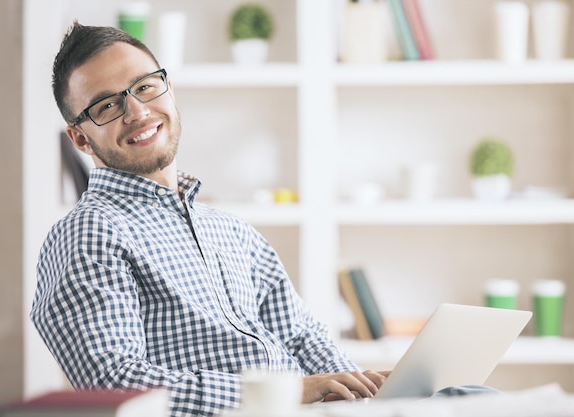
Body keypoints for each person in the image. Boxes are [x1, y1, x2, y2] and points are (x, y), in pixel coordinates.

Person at [31, 21, 388, 417]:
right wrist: (285, 392)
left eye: (145, 86)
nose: (137, 111)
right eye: (107, 105)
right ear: (81, 139)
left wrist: (368, 392)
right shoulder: (88, 233)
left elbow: (303, 339)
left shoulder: (230, 230)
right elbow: (117, 383)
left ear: (168, 88)